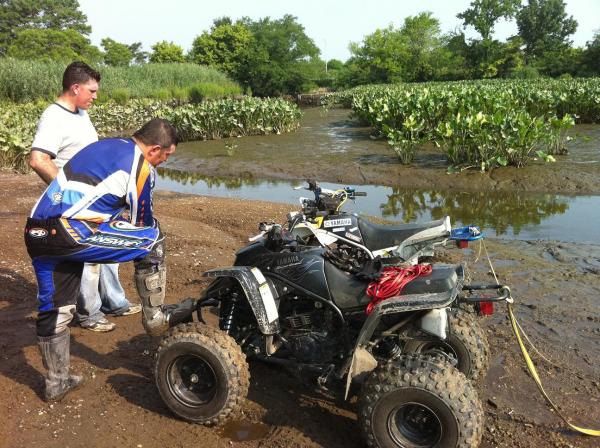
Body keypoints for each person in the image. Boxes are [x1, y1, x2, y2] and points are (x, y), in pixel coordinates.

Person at [25, 118, 177, 402]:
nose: (162, 163)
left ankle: (57, 382)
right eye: (166, 156)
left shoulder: (102, 146)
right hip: (70, 232)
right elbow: (139, 224)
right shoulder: (141, 167)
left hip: (37, 231)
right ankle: (156, 322)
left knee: (55, 308)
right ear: (155, 149)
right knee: (152, 238)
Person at [29, 61, 140, 332]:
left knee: (109, 248)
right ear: (75, 87)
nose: (95, 96)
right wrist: (66, 193)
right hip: (76, 202)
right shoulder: (54, 117)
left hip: (95, 198)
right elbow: (38, 159)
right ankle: (88, 313)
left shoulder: (79, 112)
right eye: (91, 90)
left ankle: (115, 302)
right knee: (88, 258)